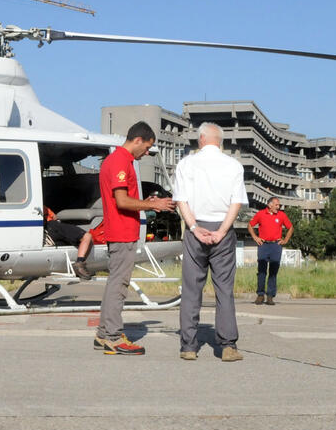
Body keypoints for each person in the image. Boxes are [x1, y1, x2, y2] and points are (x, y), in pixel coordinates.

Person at [94, 122, 175, 355]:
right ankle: (112, 337)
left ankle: (103, 333)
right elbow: (122, 201)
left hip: (119, 231)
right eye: (147, 147)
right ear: (137, 140)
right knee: (119, 286)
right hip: (122, 232)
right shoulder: (121, 161)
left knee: (115, 283)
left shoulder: (115, 160)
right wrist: (153, 204)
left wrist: (147, 202)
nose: (146, 153)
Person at [173, 122, 248, 361]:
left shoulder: (185, 164)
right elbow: (236, 202)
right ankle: (227, 346)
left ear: (201, 139)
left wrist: (194, 227)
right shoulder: (234, 165)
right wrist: (222, 231)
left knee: (192, 289)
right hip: (222, 230)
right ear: (221, 141)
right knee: (224, 289)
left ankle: (188, 346)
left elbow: (181, 200)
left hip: (196, 228)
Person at [247, 197, 294, 305]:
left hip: (276, 245)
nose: (279, 207)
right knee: (262, 271)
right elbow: (250, 225)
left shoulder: (281, 215)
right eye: (277, 205)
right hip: (263, 245)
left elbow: (290, 227)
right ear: (270, 205)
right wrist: (255, 237)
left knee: (273, 271)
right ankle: (260, 295)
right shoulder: (260, 214)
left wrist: (285, 239)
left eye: (279, 205)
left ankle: (270, 296)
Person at [43, 207, 97, 281]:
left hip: (47, 230)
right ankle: (80, 263)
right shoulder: (55, 225)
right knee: (87, 236)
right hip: (51, 226)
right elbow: (87, 236)